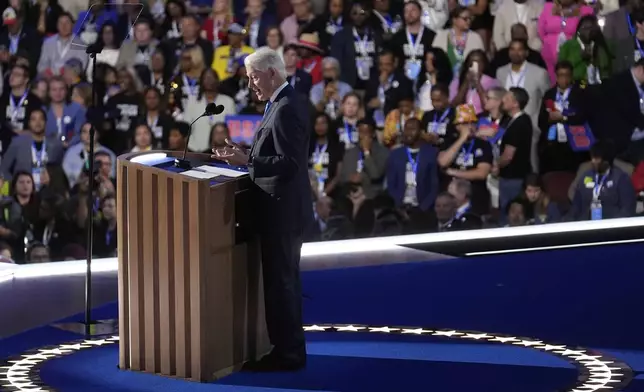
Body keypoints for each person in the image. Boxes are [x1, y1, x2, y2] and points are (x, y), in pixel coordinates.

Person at [212, 47, 311, 371]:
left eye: (254, 78)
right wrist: (245, 154)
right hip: (275, 211)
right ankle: (287, 349)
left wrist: (249, 161)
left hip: (281, 212)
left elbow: (291, 164)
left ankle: (288, 354)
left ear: (272, 72)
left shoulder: (286, 108)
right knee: (280, 283)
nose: (251, 85)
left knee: (282, 284)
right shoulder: (277, 104)